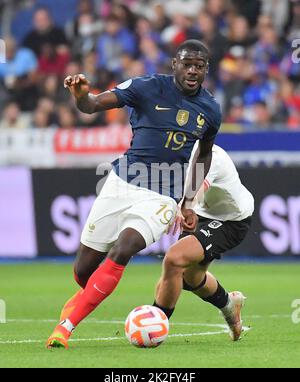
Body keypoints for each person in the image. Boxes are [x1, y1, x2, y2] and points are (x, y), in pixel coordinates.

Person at [46, 39, 222, 349]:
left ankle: (65, 327)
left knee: (123, 249)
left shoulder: (210, 109)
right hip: (122, 183)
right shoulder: (146, 87)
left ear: (206, 69)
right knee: (83, 270)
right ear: (175, 65)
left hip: (163, 194)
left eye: (199, 66)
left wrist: (189, 201)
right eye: (187, 64)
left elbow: (203, 155)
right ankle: (82, 302)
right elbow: (93, 105)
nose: (193, 70)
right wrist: (81, 95)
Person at [154, 144, 254, 341]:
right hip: (199, 213)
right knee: (190, 278)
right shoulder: (171, 151)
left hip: (232, 220)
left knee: (174, 259)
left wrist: (183, 209)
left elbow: (197, 191)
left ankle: (154, 324)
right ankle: (229, 305)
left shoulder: (210, 156)